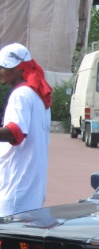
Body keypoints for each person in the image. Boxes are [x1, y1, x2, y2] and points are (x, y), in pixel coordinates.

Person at [0, 43, 52, 217]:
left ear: (19, 69)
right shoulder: (38, 96)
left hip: (14, 192)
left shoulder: (21, 94)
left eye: (4, 67)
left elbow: (15, 132)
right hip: (32, 192)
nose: (1, 71)